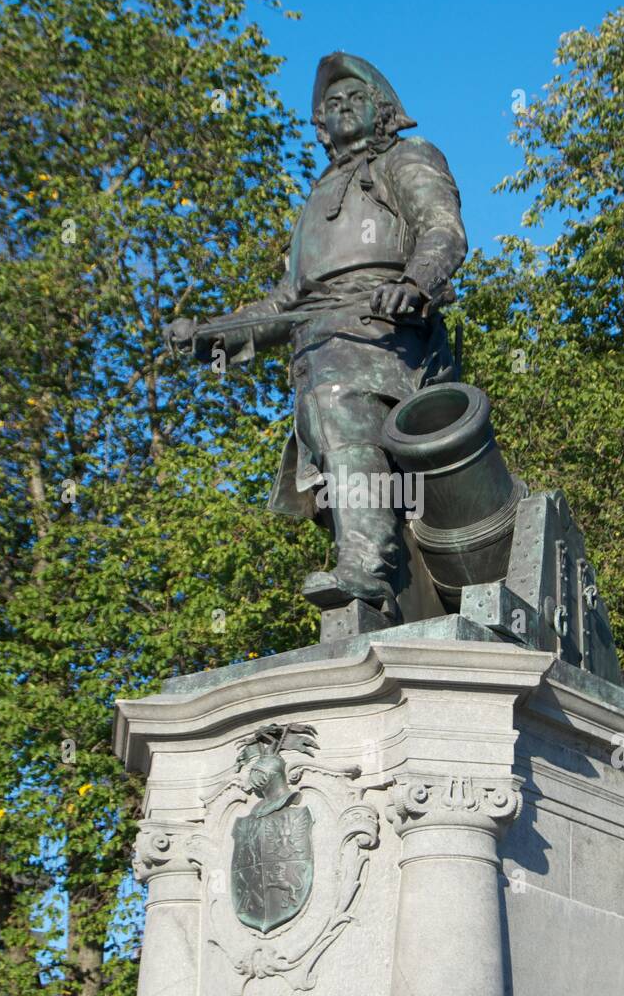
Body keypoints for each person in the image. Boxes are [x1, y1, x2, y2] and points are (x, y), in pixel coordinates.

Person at [167, 52, 468, 619]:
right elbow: (288, 303)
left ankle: (366, 564)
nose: (343, 108)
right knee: (326, 409)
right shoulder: (313, 201)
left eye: (356, 98)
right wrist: (213, 333)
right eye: (332, 104)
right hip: (320, 346)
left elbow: (442, 230)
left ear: (383, 112)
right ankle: (368, 555)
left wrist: (415, 283)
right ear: (319, 125)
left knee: (338, 402)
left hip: (389, 336)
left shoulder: (407, 159)